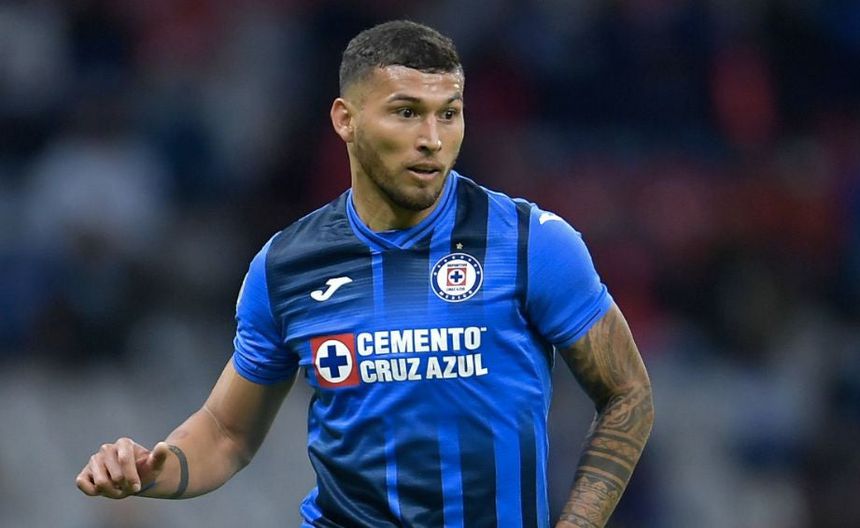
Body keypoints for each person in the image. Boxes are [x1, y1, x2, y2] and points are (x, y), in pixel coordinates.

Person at [76, 20, 654, 528]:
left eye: (448, 113)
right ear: (345, 120)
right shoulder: (287, 264)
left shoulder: (532, 243)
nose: (431, 139)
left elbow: (627, 393)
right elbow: (227, 433)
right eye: (406, 112)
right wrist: (151, 469)